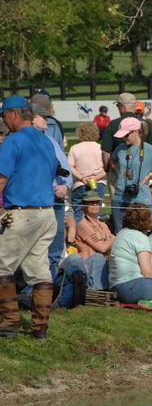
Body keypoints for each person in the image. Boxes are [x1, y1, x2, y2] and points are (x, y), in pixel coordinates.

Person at [0, 95, 58, 339]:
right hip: (47, 214)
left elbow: (1, 179)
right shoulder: (46, 141)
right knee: (39, 270)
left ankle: (9, 322)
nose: (4, 123)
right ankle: (39, 328)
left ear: (13, 114)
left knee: (2, 266)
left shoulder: (13, 142)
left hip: (20, 215)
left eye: (4, 117)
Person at [110, 117, 152, 233]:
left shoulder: (150, 150)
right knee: (119, 235)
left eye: (126, 135)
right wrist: (119, 171)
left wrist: (151, 175)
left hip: (140, 200)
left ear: (136, 132)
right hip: (120, 198)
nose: (124, 138)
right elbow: (112, 161)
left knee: (140, 235)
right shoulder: (120, 148)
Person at [31, 104, 73, 280]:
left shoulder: (51, 141)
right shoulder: (23, 141)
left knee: (56, 245)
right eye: (43, 117)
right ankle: (31, 287)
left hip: (57, 199)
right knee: (37, 246)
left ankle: (52, 284)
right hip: (39, 201)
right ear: (31, 118)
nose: (47, 120)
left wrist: (66, 186)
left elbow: (66, 168)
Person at [64, 190, 114, 290]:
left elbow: (112, 243)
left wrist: (105, 237)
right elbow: (102, 248)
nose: (95, 205)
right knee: (98, 256)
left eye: (97, 203)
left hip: (101, 265)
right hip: (88, 266)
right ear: (84, 206)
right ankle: (97, 290)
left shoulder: (103, 225)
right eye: (91, 203)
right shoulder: (82, 225)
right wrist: (111, 238)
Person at [68, 122, 107, 222]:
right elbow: (107, 168)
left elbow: (70, 166)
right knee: (95, 214)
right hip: (98, 184)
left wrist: (81, 177)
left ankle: (77, 235)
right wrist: (95, 178)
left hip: (80, 184)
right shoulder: (101, 148)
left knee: (78, 213)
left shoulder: (74, 148)